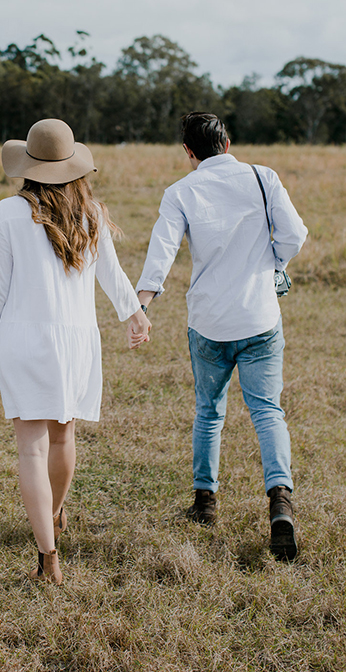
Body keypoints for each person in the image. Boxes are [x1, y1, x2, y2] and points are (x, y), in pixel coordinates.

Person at [0, 118, 150, 584]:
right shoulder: (91, 213)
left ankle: (48, 557)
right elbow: (112, 274)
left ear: (28, 166)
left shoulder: (9, 211)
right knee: (62, 438)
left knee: (30, 450)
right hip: (77, 340)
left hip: (25, 338)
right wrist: (135, 314)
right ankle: (52, 514)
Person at [136, 112, 307, 561]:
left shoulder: (181, 191)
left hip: (208, 323)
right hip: (259, 318)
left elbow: (162, 252)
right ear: (227, 143)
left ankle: (205, 504)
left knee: (209, 413)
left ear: (189, 153)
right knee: (268, 411)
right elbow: (294, 233)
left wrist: (142, 306)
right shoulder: (262, 176)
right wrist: (275, 262)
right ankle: (280, 502)